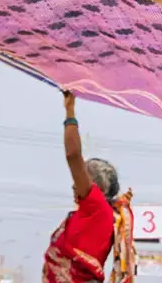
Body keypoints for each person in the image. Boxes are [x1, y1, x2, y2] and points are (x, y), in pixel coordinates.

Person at [43, 91, 124, 283]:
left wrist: (69, 111)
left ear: (96, 186)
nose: (74, 184)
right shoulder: (92, 213)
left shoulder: (96, 207)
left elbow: (73, 156)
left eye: (80, 177)